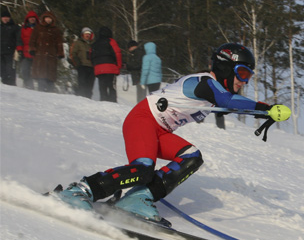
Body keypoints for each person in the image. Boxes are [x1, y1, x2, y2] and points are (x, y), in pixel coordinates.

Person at [53, 43, 273, 222]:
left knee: (192, 157)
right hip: (143, 120)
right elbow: (227, 100)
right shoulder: (204, 82)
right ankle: (79, 191)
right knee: (142, 170)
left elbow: (229, 104)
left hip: (160, 130)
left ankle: (138, 198)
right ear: (226, 67)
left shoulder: (213, 91)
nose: (243, 81)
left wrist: (265, 113)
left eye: (248, 77)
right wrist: (266, 108)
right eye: (242, 73)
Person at [29, 11, 64, 92]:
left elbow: (59, 43)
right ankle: (41, 91)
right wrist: (32, 49)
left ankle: (50, 91)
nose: (48, 20)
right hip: (40, 54)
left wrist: (60, 53)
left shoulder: (56, 30)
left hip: (51, 55)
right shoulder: (38, 28)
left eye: (50, 19)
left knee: (50, 75)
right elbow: (32, 40)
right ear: (44, 19)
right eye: (47, 18)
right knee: (41, 74)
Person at [90, 26, 122, 102]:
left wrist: (95, 66)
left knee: (102, 87)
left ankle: (103, 101)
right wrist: (119, 66)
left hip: (99, 68)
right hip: (110, 67)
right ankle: (112, 101)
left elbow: (91, 56)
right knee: (111, 86)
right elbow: (117, 54)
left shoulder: (94, 44)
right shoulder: (111, 41)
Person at [70, 27, 95, 98]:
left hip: (91, 67)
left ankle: (88, 99)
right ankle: (80, 98)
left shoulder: (93, 44)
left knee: (90, 85)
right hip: (82, 65)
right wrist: (77, 63)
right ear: (82, 34)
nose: (87, 35)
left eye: (89, 34)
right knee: (82, 83)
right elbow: (73, 53)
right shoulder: (78, 43)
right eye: (86, 34)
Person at [16, 10, 39, 89]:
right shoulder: (23, 28)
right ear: (27, 19)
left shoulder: (39, 28)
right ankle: (28, 86)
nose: (32, 19)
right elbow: (19, 40)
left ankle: (40, 88)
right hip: (25, 53)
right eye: (30, 18)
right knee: (25, 70)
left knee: (38, 72)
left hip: (37, 53)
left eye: (33, 18)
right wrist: (19, 50)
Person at [1, 10, 21, 86]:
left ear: (9, 18)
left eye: (7, 17)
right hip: (1, 52)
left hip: (11, 52)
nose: (5, 18)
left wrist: (18, 50)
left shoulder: (15, 27)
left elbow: (19, 39)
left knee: (10, 70)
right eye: (3, 17)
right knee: (2, 70)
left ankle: (12, 85)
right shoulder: (1, 27)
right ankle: (5, 85)